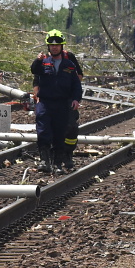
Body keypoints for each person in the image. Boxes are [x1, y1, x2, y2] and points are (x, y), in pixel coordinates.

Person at [30, 29, 83, 174]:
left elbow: (77, 83)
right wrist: (38, 60)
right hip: (46, 103)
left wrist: (75, 99)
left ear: (62, 46)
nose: (54, 47)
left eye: (57, 45)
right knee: (43, 131)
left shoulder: (69, 63)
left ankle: (61, 160)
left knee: (64, 131)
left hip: (63, 103)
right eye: (51, 45)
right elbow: (34, 71)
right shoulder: (43, 62)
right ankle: (45, 161)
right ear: (48, 46)